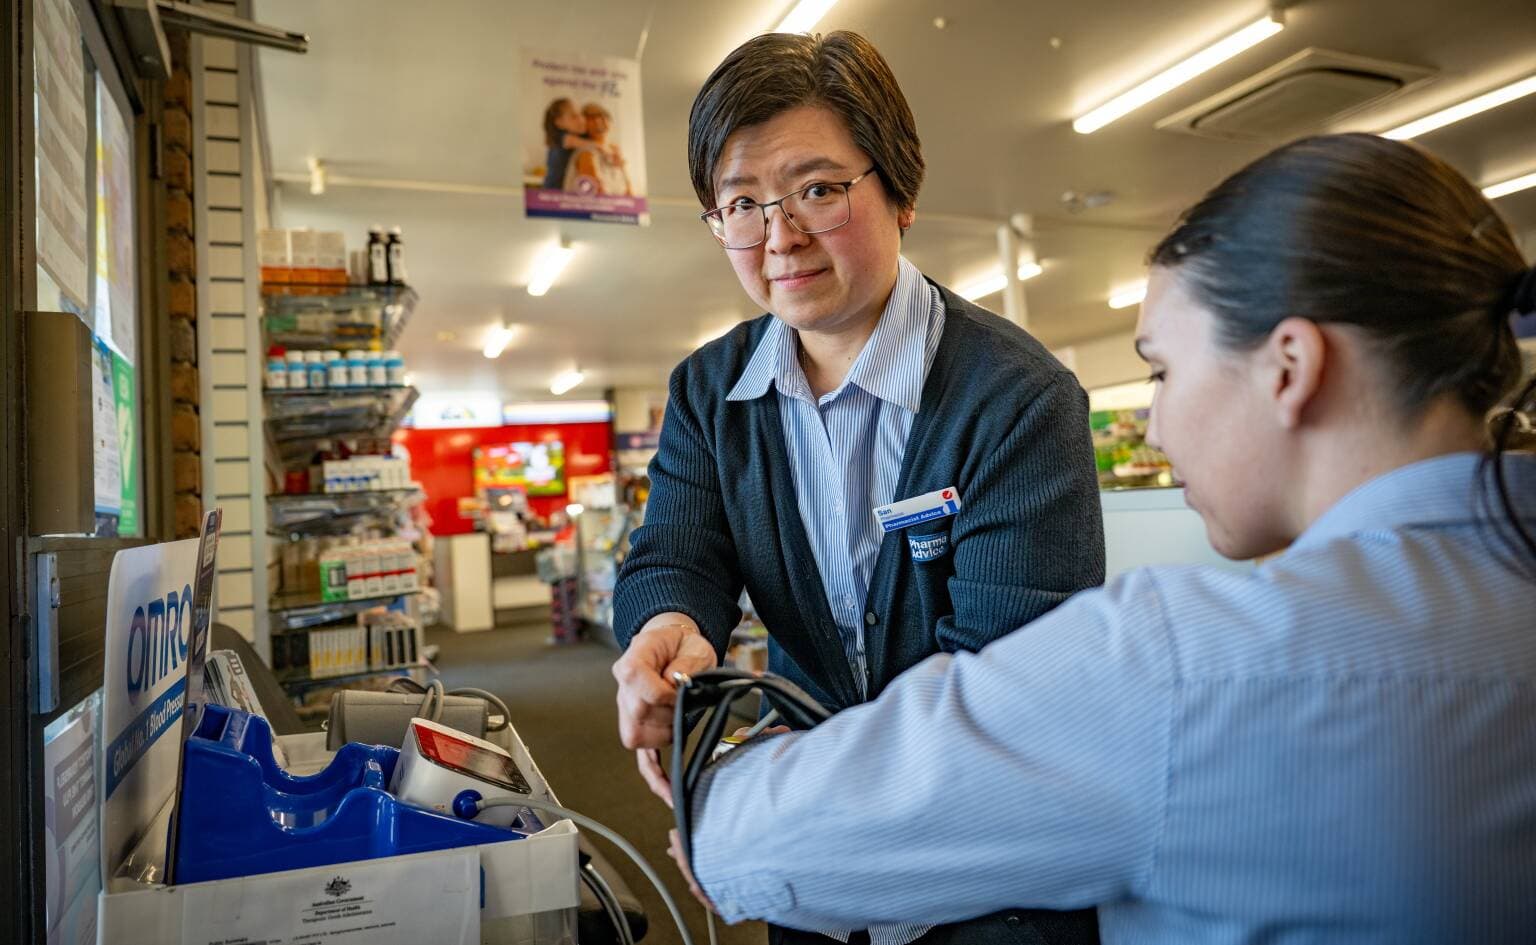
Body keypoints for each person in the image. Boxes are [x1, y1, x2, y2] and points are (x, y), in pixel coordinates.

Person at [669, 133, 1536, 944]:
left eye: (1162, 370)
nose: (1154, 426)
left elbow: (747, 840)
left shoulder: (1184, 665)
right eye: (741, 204)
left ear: (1290, 368)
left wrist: (716, 778)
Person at [610, 30, 1104, 945]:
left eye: (817, 190)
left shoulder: (1016, 398)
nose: (780, 236)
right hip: (819, 890)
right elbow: (676, 553)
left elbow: (1006, 685)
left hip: (986, 877)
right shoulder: (710, 391)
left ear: (900, 189)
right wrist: (667, 630)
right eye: (742, 204)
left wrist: (771, 802)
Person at [565, 102, 632, 196]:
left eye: (602, 116)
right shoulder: (586, 153)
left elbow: (629, 191)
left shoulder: (614, 150)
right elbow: (597, 193)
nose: (598, 121)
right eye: (591, 118)